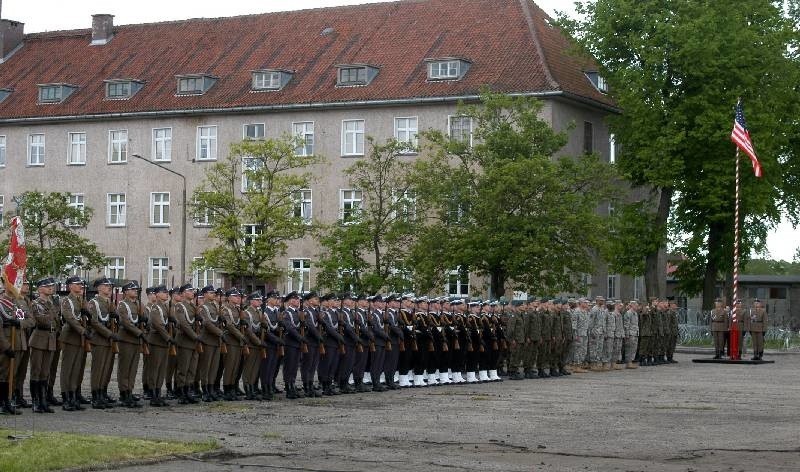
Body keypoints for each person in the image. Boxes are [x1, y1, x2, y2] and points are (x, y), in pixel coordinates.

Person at [58, 276, 89, 411]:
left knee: (76, 369)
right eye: (77, 284)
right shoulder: (67, 301)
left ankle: (73, 396)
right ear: (70, 286)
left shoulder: (82, 300)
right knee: (67, 369)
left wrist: (88, 315)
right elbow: (69, 318)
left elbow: (86, 317)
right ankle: (66, 397)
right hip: (70, 337)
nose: (80, 286)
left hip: (79, 338)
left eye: (81, 284)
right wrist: (83, 330)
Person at [30, 277, 59, 413]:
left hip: (50, 339)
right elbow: (42, 320)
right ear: (40, 288)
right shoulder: (36, 303)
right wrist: (52, 315)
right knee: (36, 371)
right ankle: (35, 402)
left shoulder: (51, 303)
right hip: (39, 338)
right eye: (47, 286)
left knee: (45, 372)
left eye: (51, 286)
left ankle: (43, 401)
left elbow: (56, 321)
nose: (50, 288)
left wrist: (53, 315)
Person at [116, 281, 144, 408]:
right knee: (125, 368)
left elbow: (144, 318)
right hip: (126, 339)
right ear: (126, 292)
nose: (135, 291)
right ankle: (124, 393)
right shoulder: (122, 305)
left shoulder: (138, 304)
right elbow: (125, 323)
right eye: (132, 290)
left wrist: (145, 320)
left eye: (136, 290)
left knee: (133, 368)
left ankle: (130, 391)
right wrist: (139, 333)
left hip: (136, 341)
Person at [145, 285, 173, 406]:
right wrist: (169, 338)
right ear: (156, 294)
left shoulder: (165, 307)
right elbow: (158, 325)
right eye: (163, 292)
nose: (166, 294)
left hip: (163, 343)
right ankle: (153, 395)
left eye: (167, 292)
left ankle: (158, 393)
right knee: (155, 369)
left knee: (161, 370)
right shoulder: (156, 308)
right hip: (156, 342)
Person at [197, 285, 223, 402]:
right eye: (211, 293)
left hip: (216, 341)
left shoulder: (215, 306)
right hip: (208, 340)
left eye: (214, 293)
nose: (213, 294)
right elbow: (207, 323)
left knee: (214, 367)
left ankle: (211, 388)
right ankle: (205, 390)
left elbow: (216, 322)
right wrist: (220, 333)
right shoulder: (203, 308)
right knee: (206, 367)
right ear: (205, 294)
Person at [281, 291, 305, 399]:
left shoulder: (297, 313)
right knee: (289, 366)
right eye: (295, 299)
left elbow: (301, 326)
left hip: (297, 344)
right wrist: (300, 337)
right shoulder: (287, 313)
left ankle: (293, 384)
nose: (298, 301)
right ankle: (288, 387)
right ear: (290, 301)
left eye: (298, 299)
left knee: (295, 366)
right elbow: (290, 328)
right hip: (290, 343)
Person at [622, 300, 639, 369]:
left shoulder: (635, 313)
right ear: (632, 305)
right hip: (630, 333)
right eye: (636, 305)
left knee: (634, 348)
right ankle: (628, 362)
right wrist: (627, 334)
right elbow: (626, 325)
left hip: (635, 333)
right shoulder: (628, 313)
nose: (637, 307)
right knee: (629, 348)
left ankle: (631, 361)